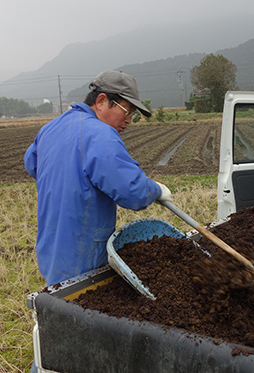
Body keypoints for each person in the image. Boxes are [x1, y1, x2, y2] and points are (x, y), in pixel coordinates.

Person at [24, 70, 172, 287]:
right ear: (102, 101)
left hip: (51, 245)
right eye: (127, 111)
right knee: (78, 304)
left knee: (56, 296)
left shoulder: (50, 128)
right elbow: (133, 192)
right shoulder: (101, 134)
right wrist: (156, 190)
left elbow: (32, 164)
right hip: (82, 251)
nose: (129, 120)